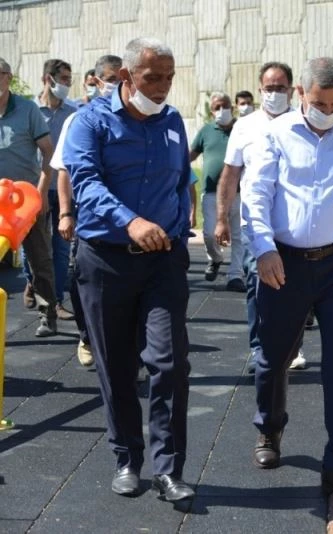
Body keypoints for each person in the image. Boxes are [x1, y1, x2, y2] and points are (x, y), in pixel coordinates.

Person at [62, 37, 195, 502]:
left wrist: (178, 231)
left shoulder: (172, 121)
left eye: (169, 78)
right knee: (117, 366)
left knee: (170, 362)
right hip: (105, 261)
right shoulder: (89, 122)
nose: (162, 87)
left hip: (162, 262)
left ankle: (168, 468)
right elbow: (85, 182)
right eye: (152, 77)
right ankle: (127, 458)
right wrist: (131, 221)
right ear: (125, 76)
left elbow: (181, 181)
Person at [241, 56, 333, 501]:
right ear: (301, 94)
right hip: (284, 264)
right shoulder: (274, 135)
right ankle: (269, 427)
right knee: (274, 356)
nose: (328, 111)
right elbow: (256, 196)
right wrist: (264, 249)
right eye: (320, 103)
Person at [215, 62, 307, 374]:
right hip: (255, 222)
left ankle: (292, 346)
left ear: (292, 90)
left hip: (295, 225)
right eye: (269, 88)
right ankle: (260, 349)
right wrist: (221, 218)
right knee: (258, 285)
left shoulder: (305, 122)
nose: (274, 93)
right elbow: (230, 174)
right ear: (259, 89)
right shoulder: (245, 126)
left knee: (295, 289)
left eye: (281, 88)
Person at [55, 54, 123, 367]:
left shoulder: (137, 117)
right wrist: (65, 213)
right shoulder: (78, 120)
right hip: (89, 219)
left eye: (121, 79)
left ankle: (128, 351)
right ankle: (86, 336)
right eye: (110, 79)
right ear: (95, 81)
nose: (116, 85)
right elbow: (64, 170)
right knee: (81, 282)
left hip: (127, 220)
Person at [0, 57, 57, 337]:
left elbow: (48, 151)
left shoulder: (27, 109)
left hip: (25, 201)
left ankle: (48, 314)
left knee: (39, 259)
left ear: (8, 77)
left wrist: (42, 191)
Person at [27, 59, 78, 324]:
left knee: (61, 248)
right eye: (64, 79)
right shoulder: (30, 110)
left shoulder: (73, 112)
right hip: (34, 189)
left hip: (64, 188)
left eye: (69, 79)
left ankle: (55, 301)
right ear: (48, 79)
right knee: (32, 248)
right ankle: (33, 282)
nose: (68, 84)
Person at [190, 91, 245, 291]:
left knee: (238, 236)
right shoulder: (206, 131)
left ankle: (235, 275)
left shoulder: (242, 129)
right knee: (209, 234)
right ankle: (216, 258)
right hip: (211, 192)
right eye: (217, 107)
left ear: (232, 107)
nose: (222, 110)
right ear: (212, 111)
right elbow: (190, 155)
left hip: (239, 193)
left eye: (225, 106)